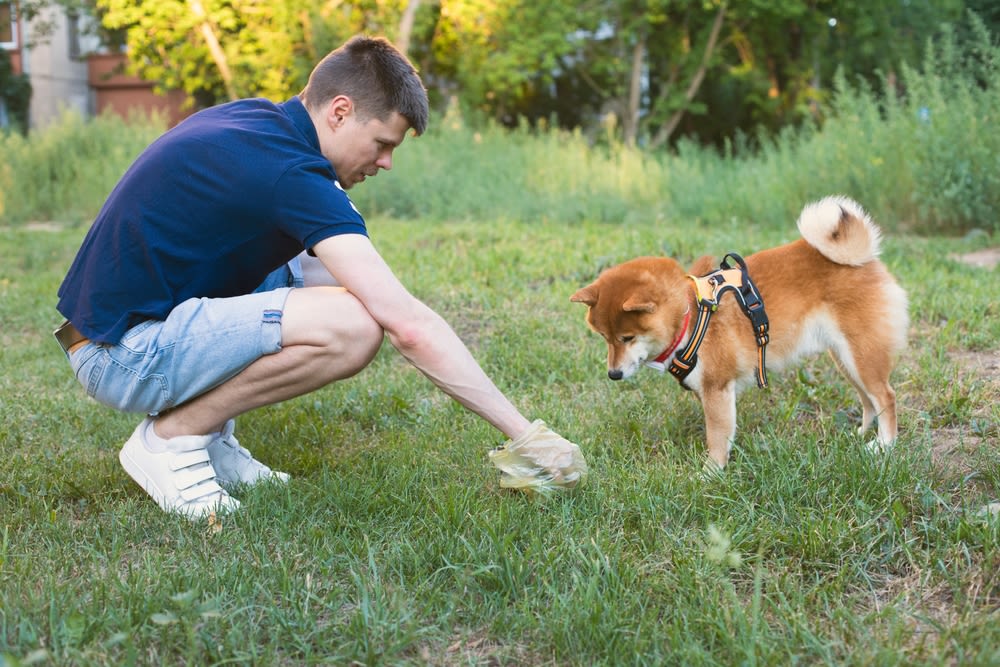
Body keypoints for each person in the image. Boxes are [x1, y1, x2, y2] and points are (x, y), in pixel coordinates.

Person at [54, 36, 586, 520]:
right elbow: (407, 325)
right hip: (120, 353)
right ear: (339, 111)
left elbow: (364, 286)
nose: (386, 162)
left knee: (328, 279)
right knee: (354, 327)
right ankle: (172, 438)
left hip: (118, 329)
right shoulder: (289, 172)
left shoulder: (263, 126)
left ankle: (210, 435)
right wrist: (526, 435)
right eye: (382, 143)